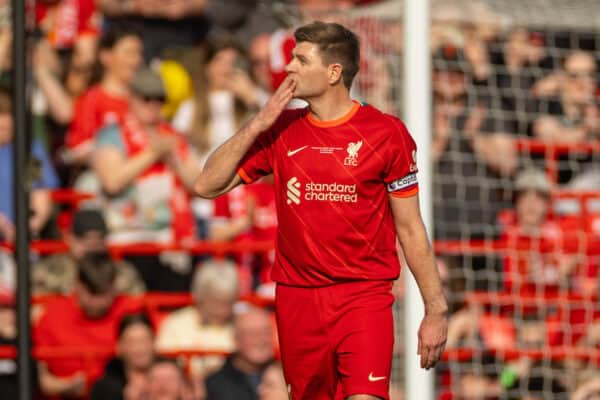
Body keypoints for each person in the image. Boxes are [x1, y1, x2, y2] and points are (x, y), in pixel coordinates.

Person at [194, 21, 448, 400]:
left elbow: (411, 229)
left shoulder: (386, 133)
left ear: (333, 72)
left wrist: (435, 309)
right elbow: (206, 185)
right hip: (298, 299)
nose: (289, 68)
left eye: (300, 59)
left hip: (363, 296)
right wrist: (258, 123)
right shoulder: (281, 130)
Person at [33, 252, 141, 399]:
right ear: (78, 285)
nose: (98, 303)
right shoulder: (52, 315)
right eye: (91, 294)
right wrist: (66, 387)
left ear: (114, 287)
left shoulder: (130, 310)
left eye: (104, 294)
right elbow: (41, 378)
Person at [32, 208, 145, 295]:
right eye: (85, 239)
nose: (92, 247)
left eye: (99, 240)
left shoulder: (122, 272)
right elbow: (35, 311)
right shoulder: (48, 271)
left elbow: (136, 308)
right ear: (70, 238)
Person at [156, 258, 238, 377]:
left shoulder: (242, 325)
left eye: (228, 303)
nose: (223, 311)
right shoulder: (175, 325)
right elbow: (165, 368)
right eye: (216, 302)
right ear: (199, 297)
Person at [205, 306, 274, 400]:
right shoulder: (215, 385)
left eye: (266, 332)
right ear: (236, 339)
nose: (261, 340)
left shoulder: (287, 376)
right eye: (252, 333)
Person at [90, 313, 156, 400]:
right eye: (132, 342)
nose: (140, 348)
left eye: (144, 340)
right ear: (119, 347)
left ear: (154, 343)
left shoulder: (171, 379)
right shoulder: (105, 388)